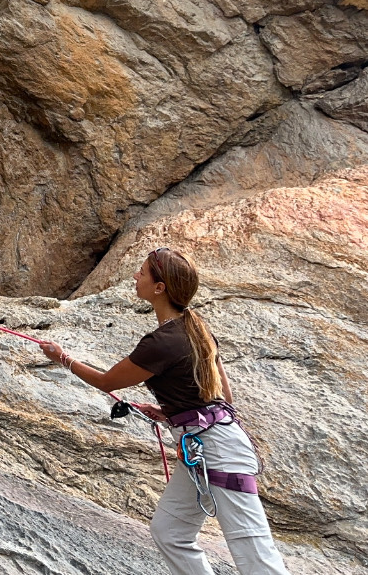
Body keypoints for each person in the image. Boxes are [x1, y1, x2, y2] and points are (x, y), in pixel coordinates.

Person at [39, 246, 289, 575]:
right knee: (170, 532)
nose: (135, 277)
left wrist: (63, 358)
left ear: (160, 288)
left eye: (142, 272)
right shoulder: (195, 328)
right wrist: (169, 411)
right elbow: (222, 396)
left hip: (217, 451)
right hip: (205, 447)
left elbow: (107, 381)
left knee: (255, 555)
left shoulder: (162, 342)